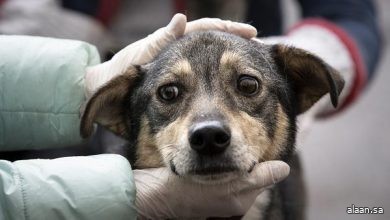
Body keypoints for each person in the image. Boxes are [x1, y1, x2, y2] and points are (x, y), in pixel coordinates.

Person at [0, 0, 381, 219]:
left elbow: (350, 15)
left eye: (246, 87)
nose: (209, 126)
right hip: (61, 90)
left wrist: (292, 64)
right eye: (171, 94)